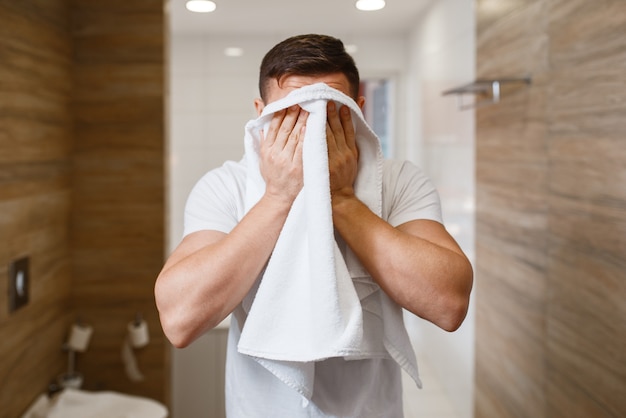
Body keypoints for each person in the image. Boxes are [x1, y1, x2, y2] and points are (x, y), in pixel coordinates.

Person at [155, 34, 473, 417]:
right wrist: (278, 197)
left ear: (357, 110)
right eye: (291, 113)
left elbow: (449, 304)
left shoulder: (399, 182)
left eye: (329, 110)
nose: (311, 125)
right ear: (260, 112)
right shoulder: (227, 186)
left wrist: (341, 198)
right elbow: (179, 321)